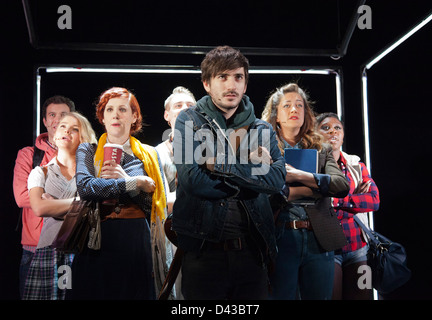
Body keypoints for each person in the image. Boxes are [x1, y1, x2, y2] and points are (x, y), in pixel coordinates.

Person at [172, 45, 286, 300]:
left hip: (252, 252)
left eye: (238, 77)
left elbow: (276, 181)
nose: (231, 85)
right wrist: (250, 172)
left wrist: (218, 164)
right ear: (206, 84)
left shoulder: (261, 128)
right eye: (222, 77)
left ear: (245, 84)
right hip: (204, 252)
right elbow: (193, 181)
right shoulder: (188, 121)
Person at [67, 87, 170, 300]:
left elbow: (151, 204)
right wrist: (132, 183)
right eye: (109, 110)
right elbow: (86, 188)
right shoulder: (87, 150)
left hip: (134, 240)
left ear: (134, 117)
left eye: (122, 109)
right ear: (102, 118)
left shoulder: (147, 154)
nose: (115, 115)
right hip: (96, 238)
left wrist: (123, 178)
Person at [261, 83, 349, 300]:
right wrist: (312, 189)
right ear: (276, 115)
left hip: (318, 239)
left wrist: (299, 176)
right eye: (287, 106)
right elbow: (265, 191)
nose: (294, 110)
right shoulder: (263, 148)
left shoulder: (321, 148)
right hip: (281, 237)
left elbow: (341, 185)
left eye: (299, 105)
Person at [22, 112, 97, 300]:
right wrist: (83, 203)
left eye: (75, 129)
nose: (67, 131)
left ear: (83, 137)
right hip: (51, 250)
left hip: (85, 250)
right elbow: (39, 208)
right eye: (63, 126)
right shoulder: (40, 172)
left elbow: (96, 209)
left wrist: (54, 205)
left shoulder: (93, 172)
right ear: (55, 134)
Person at [13, 95, 75, 298]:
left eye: (63, 115)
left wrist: (46, 198)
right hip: (34, 249)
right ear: (45, 121)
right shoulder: (29, 155)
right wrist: (73, 202)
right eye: (52, 115)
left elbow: (90, 200)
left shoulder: (82, 156)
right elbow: (22, 197)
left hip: (71, 247)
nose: (57, 120)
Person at [316, 112, 380, 300]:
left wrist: (339, 201)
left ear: (343, 135)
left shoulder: (356, 165)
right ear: (316, 134)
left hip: (359, 249)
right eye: (325, 128)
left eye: (337, 128)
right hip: (328, 249)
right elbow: (315, 204)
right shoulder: (311, 165)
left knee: (363, 296)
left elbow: (374, 200)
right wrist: (355, 199)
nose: (332, 132)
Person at [156, 86, 196, 214]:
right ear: (166, 115)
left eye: (190, 105)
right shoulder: (156, 153)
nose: (185, 108)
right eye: (178, 105)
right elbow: (160, 202)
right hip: (169, 229)